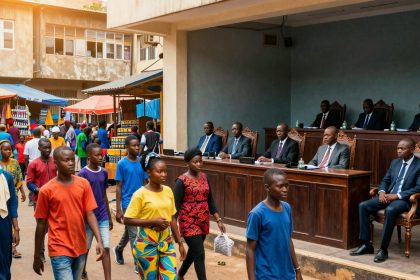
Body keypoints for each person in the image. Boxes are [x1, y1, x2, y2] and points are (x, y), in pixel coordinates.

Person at [33, 146, 105, 279]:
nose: (71, 163)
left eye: (72, 159)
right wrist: (37, 255)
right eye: (66, 160)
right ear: (55, 163)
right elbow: (41, 223)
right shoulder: (46, 190)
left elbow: (90, 214)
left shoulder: (83, 184)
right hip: (58, 248)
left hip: (80, 246)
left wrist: (99, 241)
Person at [350, 138, 420, 263]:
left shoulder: (419, 165)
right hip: (388, 196)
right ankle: (366, 244)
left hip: (405, 200)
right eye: (398, 148)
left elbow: (418, 187)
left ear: (411, 150)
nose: (398, 151)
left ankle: (383, 250)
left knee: (391, 210)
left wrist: (397, 195)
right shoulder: (395, 162)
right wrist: (382, 192)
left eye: (402, 148)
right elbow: (386, 180)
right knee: (363, 206)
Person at [124, 152, 186, 279]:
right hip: (146, 243)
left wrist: (179, 242)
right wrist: (152, 221)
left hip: (166, 241)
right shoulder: (140, 194)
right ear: (149, 172)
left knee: (170, 277)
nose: (164, 175)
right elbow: (127, 219)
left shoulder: (168, 191)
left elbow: (172, 218)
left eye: (165, 171)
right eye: (159, 171)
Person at [174, 148, 225, 280]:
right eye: (195, 162)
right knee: (200, 254)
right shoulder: (181, 181)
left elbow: (210, 200)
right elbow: (175, 208)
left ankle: (180, 274)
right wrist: (177, 236)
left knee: (194, 252)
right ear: (188, 163)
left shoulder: (204, 177)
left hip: (203, 220)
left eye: (200, 161)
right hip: (188, 221)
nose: (199, 164)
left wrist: (218, 219)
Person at [246, 168, 302, 280]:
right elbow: (250, 249)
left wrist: (297, 269)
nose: (285, 189)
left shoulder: (287, 208)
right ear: (267, 187)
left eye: (287, 185)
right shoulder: (257, 214)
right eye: (280, 186)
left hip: (287, 274)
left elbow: (288, 239)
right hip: (267, 275)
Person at [113, 135, 148, 271]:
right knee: (134, 234)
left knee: (130, 231)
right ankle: (137, 263)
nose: (137, 147)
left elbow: (146, 183)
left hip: (142, 202)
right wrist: (118, 208)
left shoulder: (141, 162)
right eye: (133, 145)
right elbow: (118, 186)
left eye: (138, 145)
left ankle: (119, 248)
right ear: (127, 147)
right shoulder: (121, 164)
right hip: (128, 202)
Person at [78, 143, 112, 280]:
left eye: (101, 155)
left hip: (102, 215)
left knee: (106, 247)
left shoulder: (104, 172)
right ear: (89, 157)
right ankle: (82, 272)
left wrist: (109, 216)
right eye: (97, 155)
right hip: (87, 217)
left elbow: (104, 194)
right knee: (85, 249)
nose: (101, 157)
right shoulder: (83, 174)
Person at [26, 138, 57, 263]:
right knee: (42, 226)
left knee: (54, 226)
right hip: (39, 200)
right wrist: (38, 190)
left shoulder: (55, 161)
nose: (48, 150)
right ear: (39, 149)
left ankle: (55, 251)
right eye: (45, 147)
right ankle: (40, 252)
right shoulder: (33, 164)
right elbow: (29, 182)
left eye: (49, 147)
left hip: (55, 200)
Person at [0, 140, 25, 260]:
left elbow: (19, 177)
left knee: (11, 217)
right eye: (5, 149)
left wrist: (23, 192)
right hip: (1, 198)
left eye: (10, 149)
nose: (8, 151)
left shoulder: (15, 163)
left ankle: (13, 247)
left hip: (12, 196)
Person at [0, 167, 20, 280]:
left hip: (4, 223)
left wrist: (16, 229)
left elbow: (12, 203)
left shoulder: (6, 176)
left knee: (5, 259)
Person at [23, 127, 42, 207]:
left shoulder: (28, 143)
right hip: (41, 164)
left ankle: (31, 200)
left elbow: (26, 157)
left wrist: (27, 168)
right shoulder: (43, 142)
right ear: (41, 134)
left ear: (33, 134)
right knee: (40, 181)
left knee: (31, 182)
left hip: (31, 164)